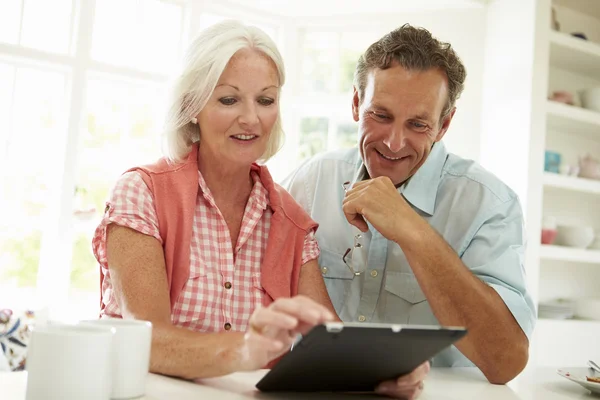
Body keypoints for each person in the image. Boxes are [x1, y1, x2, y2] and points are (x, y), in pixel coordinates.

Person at [92, 21, 428, 398]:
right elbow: (146, 340)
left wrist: (384, 370)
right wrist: (246, 348)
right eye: (228, 99)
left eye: (265, 100)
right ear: (192, 107)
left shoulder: (290, 219)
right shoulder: (141, 195)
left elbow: (330, 344)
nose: (251, 119)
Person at [283, 23, 536, 385]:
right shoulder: (311, 181)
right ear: (356, 104)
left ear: (444, 124)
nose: (394, 142)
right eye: (380, 116)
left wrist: (412, 230)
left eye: (418, 124)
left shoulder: (490, 205)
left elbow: (506, 362)